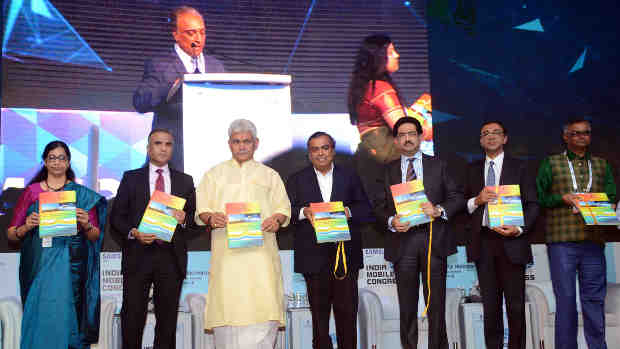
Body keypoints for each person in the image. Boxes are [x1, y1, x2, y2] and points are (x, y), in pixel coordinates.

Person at [195, 119, 291, 349]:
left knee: (263, 310)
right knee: (227, 314)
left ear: (256, 143)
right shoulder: (213, 174)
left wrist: (276, 220)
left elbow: (283, 210)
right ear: (229, 144)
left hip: (261, 258)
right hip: (227, 258)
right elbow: (202, 210)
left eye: (246, 141)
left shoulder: (270, 175)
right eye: (236, 142)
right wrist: (211, 217)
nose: (241, 146)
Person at [374, 117, 464, 349]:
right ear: (395, 141)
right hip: (402, 242)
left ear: (420, 136)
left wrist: (438, 209)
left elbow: (456, 197)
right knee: (406, 306)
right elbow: (378, 206)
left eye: (411, 133)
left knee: (436, 305)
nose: (407, 138)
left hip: (433, 238)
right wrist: (391, 220)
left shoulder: (439, 165)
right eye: (402, 135)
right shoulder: (387, 170)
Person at [6, 140, 106, 349]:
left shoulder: (81, 195)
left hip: (71, 268)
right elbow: (12, 235)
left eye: (62, 158)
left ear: (68, 162)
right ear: (45, 161)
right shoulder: (31, 192)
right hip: (39, 265)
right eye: (52, 157)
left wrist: (86, 223)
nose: (57, 162)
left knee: (68, 319)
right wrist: (26, 226)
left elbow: (95, 236)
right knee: (40, 318)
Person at [286, 131, 373, 349]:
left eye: (325, 147)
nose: (320, 153)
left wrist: (348, 211)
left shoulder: (350, 176)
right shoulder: (297, 179)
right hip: (313, 259)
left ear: (332, 151)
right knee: (319, 321)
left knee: (347, 317)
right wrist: (303, 212)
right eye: (315, 149)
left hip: (345, 257)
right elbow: (286, 212)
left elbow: (366, 210)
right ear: (309, 154)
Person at [110, 128, 197, 349]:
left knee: (167, 324)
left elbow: (194, 225)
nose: (163, 148)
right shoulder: (131, 178)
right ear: (148, 148)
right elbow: (116, 218)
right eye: (158, 143)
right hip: (138, 256)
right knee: (132, 321)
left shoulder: (185, 181)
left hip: (171, 258)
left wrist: (184, 219)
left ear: (172, 149)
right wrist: (134, 232)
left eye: (168, 144)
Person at [536, 117, 616, 349]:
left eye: (586, 133)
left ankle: (597, 346)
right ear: (565, 137)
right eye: (576, 133)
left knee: (594, 300)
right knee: (567, 301)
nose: (582, 137)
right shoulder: (550, 164)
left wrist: (608, 204)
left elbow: (611, 194)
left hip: (593, 241)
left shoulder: (601, 165)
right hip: (562, 242)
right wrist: (562, 198)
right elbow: (540, 198)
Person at [464, 121, 539, 349]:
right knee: (490, 307)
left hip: (512, 241)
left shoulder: (521, 167)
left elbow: (533, 204)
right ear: (480, 140)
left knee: (516, 306)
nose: (491, 137)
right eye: (485, 133)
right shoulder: (471, 169)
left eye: (496, 133)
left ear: (505, 138)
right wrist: (476, 201)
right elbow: (461, 205)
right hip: (484, 242)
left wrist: (519, 229)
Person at [133, 5, 226, 171]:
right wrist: (172, 87)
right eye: (191, 33)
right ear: (175, 34)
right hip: (172, 160)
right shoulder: (160, 65)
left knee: (204, 198)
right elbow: (140, 102)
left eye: (202, 32)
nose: (198, 38)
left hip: (209, 157)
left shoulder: (216, 66)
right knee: (168, 198)